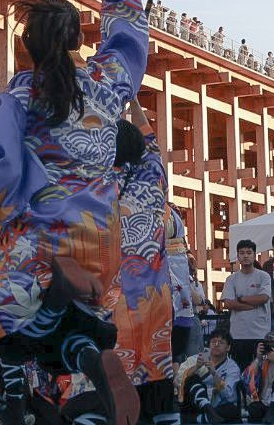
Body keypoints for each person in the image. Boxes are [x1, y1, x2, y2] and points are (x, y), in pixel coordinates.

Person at [0, 0, 148, 425]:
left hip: (44, 236)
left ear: (29, 45)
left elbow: (2, 163)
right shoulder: (106, 83)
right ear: (79, 39)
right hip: (100, 232)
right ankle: (89, 355)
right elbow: (129, 43)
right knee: (71, 329)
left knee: (0, 320)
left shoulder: (23, 93)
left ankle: (62, 303)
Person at [108, 103, 175, 425]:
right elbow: (150, 139)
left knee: (117, 374)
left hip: (117, 297)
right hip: (157, 294)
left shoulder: (104, 185)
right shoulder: (154, 171)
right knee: (158, 366)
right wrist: (132, 100)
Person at [219, 243, 271, 371]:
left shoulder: (263, 276)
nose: (245, 256)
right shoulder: (231, 279)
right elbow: (229, 303)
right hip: (238, 334)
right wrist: (251, 304)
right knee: (239, 372)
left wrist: (241, 299)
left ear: (254, 255)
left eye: (249, 252)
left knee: (260, 372)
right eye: (242, 253)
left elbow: (263, 298)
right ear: (237, 256)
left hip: (260, 333)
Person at [167, 205, 206, 363]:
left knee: (190, 360)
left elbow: (199, 300)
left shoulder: (186, 259)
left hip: (186, 312)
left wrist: (185, 287)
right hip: (164, 313)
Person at [180, 332, 240, 424]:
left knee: (232, 410)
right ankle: (206, 410)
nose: (216, 345)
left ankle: (198, 418)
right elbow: (178, 380)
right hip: (192, 403)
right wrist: (196, 367)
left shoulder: (232, 367)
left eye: (221, 342)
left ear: (228, 347)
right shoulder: (196, 358)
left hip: (215, 405)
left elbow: (228, 395)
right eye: (213, 341)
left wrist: (214, 373)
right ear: (208, 345)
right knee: (193, 378)